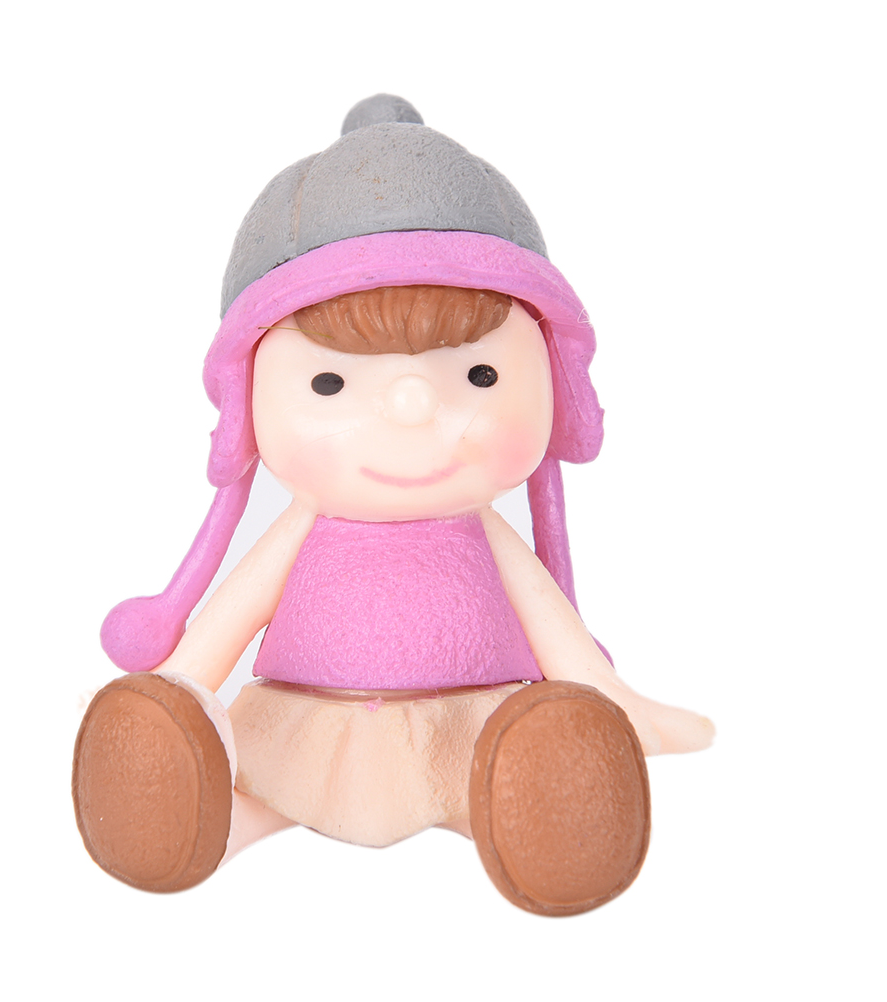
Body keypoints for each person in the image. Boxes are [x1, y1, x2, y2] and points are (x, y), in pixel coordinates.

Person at [73, 96, 713, 915]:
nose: (413, 410)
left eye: (479, 375)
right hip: (306, 723)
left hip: (474, 729)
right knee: (256, 789)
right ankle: (196, 819)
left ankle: (544, 810)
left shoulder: (484, 534)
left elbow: (561, 640)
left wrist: (617, 704)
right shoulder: (304, 529)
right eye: (329, 382)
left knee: (504, 772)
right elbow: (222, 629)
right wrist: (177, 694)